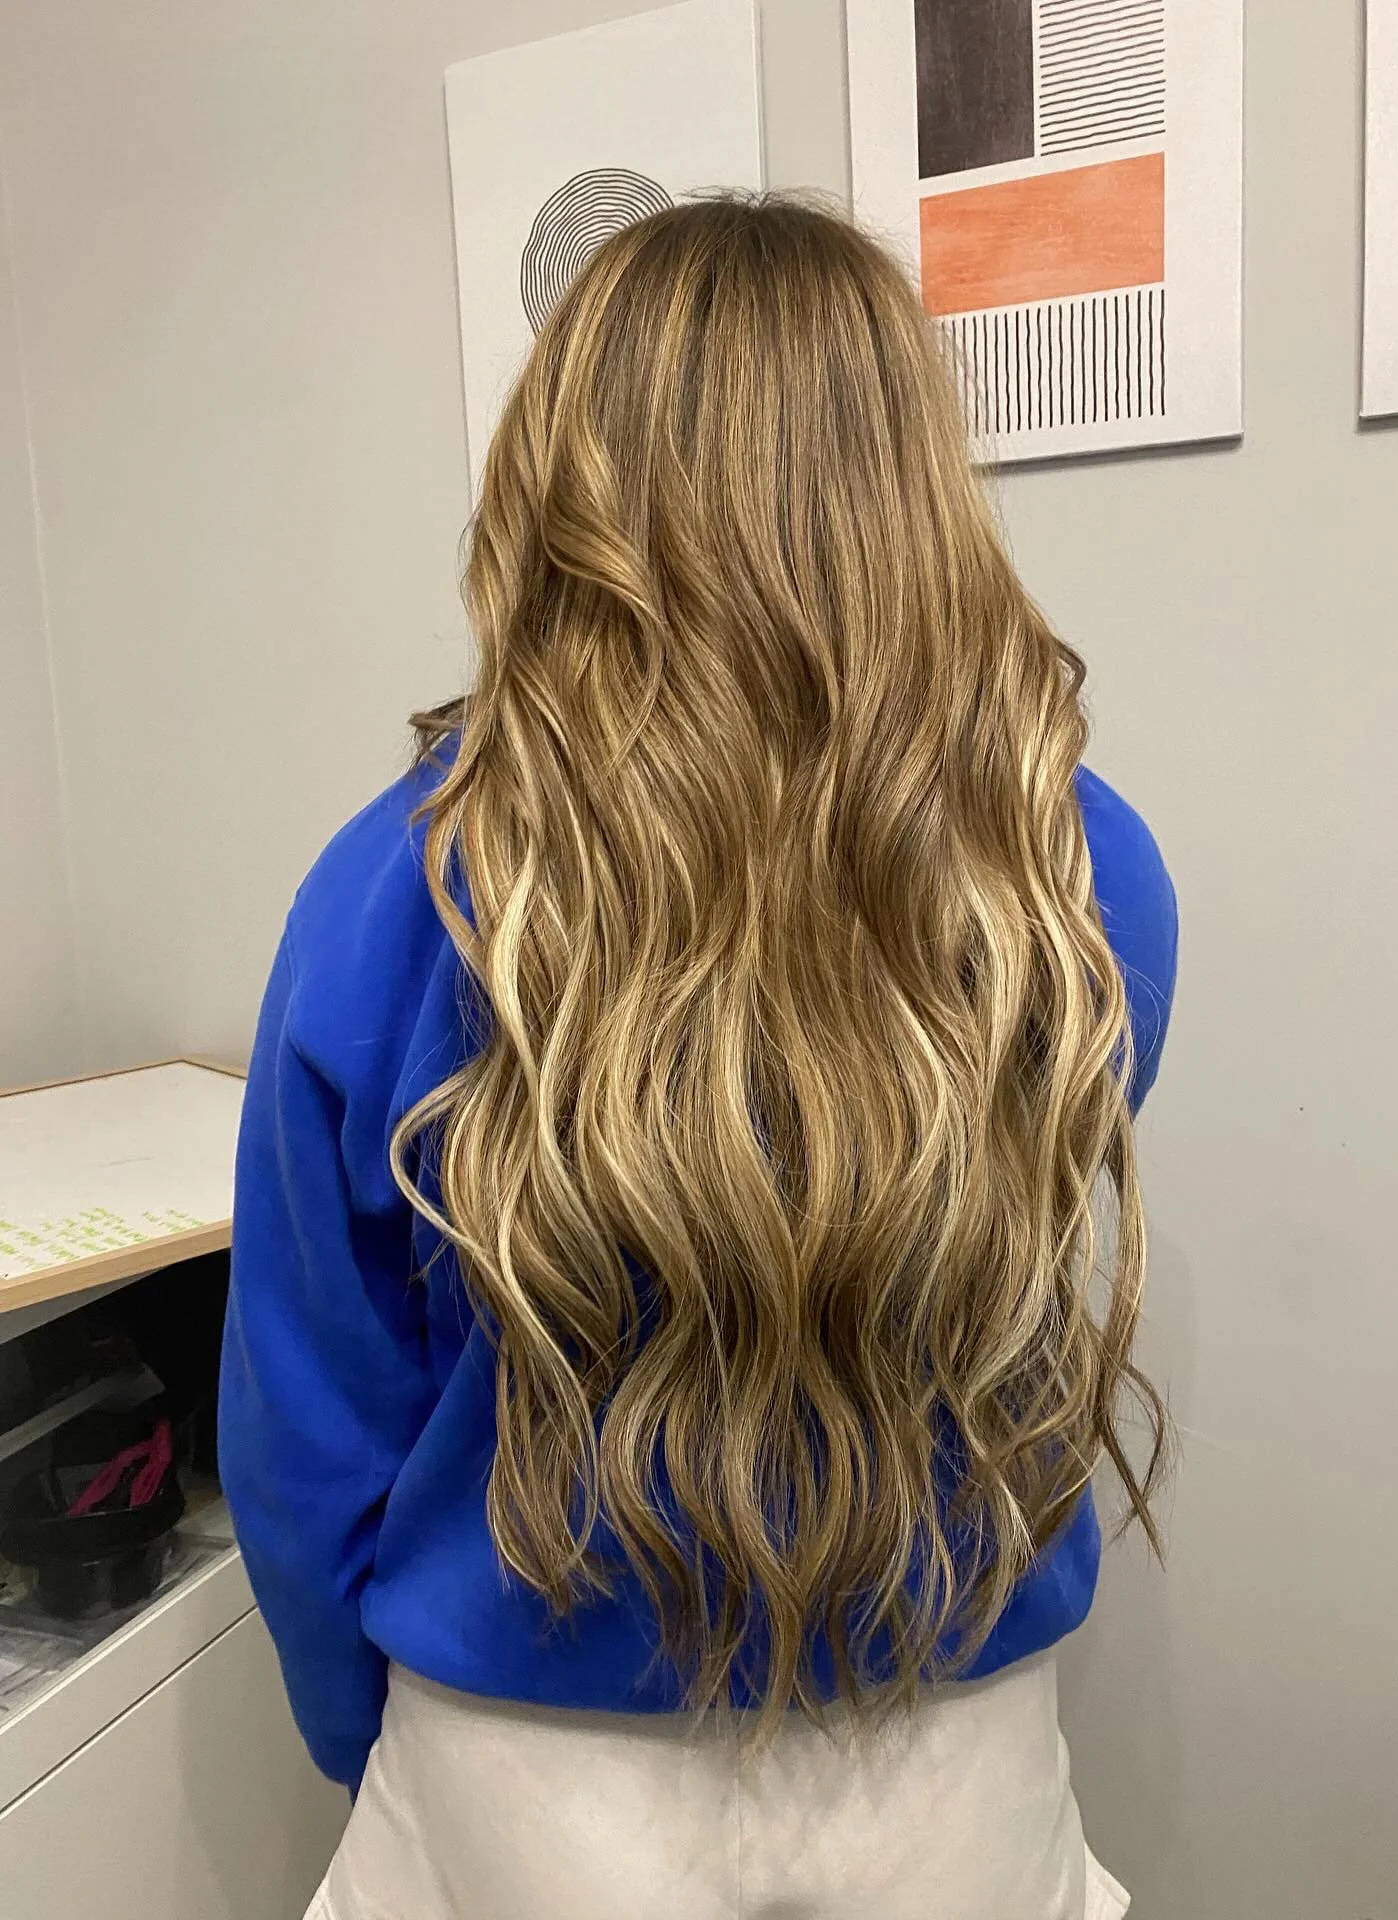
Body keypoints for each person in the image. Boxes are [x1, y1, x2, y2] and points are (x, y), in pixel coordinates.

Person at [219, 193, 1177, 1920]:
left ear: (559, 487)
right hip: (947, 1745)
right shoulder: (1075, 869)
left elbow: (308, 1427)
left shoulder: (395, 890)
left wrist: (375, 1729)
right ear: (911, 493)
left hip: (523, 1756)